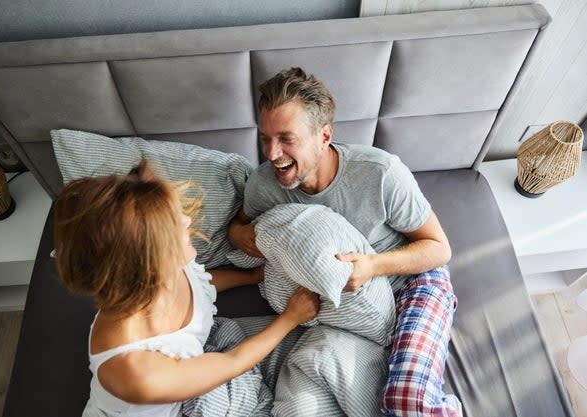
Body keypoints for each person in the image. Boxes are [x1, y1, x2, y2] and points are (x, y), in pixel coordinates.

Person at [229, 67, 461, 417]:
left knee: (407, 400)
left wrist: (373, 266)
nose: (272, 154)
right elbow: (239, 227)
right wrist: (238, 235)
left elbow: (439, 248)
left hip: (411, 283)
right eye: (265, 138)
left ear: (324, 136)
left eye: (286, 138)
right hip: (346, 313)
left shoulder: (380, 173)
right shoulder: (264, 186)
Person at [53, 159, 320, 417]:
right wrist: (290, 318)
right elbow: (232, 363)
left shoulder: (171, 269)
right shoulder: (134, 370)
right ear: (148, 261)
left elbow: (202, 283)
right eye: (173, 222)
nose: (186, 221)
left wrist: (252, 276)